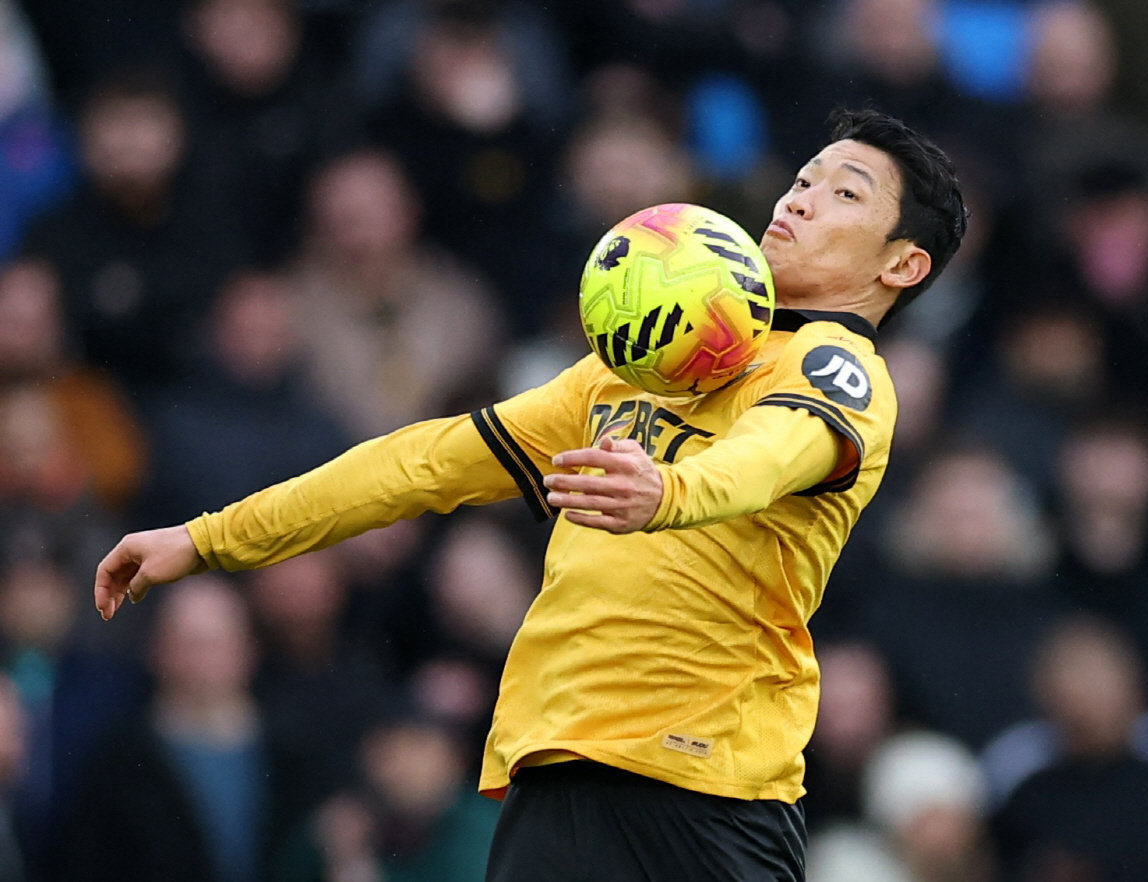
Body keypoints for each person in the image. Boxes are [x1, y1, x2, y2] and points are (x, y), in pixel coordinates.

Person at [92, 109, 967, 881]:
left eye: (844, 194)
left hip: (705, 785)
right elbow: (423, 463)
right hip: (557, 764)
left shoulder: (839, 370)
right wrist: (209, 538)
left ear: (903, 263)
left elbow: (769, 457)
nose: (800, 199)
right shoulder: (626, 372)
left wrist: (667, 491)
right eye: (804, 178)